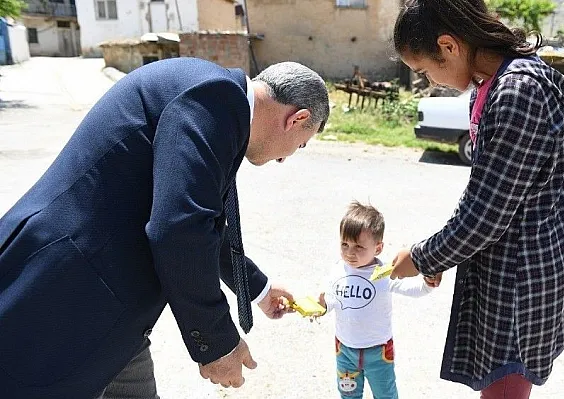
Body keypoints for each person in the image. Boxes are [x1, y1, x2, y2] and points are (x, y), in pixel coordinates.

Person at [0, 57, 330, 399]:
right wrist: (217, 343)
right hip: (65, 298)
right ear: (297, 119)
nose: (285, 158)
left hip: (110, 306)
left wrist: (257, 288)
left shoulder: (219, 101)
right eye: (301, 145)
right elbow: (180, 229)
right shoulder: (215, 97)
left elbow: (198, 221)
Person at [389, 1, 564, 398]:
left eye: (426, 71)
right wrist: (443, 252)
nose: (432, 82)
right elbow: (485, 194)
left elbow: (485, 215)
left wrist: (423, 256)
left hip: (519, 282)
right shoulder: (492, 85)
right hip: (503, 270)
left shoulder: (519, 92)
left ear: (449, 46)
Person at [316, 201, 435, 399]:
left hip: (378, 353)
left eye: (359, 246)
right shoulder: (338, 270)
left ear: (378, 248)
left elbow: (411, 290)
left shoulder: (384, 274)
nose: (349, 252)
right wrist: (322, 305)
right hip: (345, 350)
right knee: (348, 395)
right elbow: (332, 300)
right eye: (344, 244)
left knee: (386, 395)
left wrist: (427, 285)